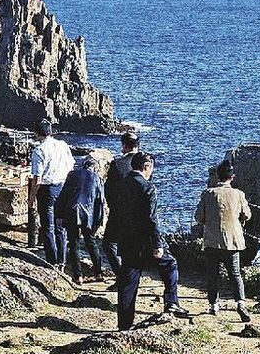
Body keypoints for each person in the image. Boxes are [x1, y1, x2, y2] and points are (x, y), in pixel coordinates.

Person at [110, 152, 188, 330]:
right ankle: (171, 302)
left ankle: (124, 325)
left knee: (128, 285)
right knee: (170, 265)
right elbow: (151, 219)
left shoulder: (120, 186)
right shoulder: (148, 188)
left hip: (126, 240)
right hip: (145, 241)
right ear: (147, 167)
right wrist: (157, 244)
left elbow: (116, 213)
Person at [195, 160, 253, 322]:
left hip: (212, 241)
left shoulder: (208, 193)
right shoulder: (239, 194)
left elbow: (199, 217)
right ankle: (240, 303)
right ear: (232, 177)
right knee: (235, 274)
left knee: (212, 275)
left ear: (217, 176)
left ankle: (214, 305)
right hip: (233, 241)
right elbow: (247, 215)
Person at [28, 119, 74, 266]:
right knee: (60, 226)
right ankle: (62, 261)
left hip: (47, 190)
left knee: (48, 226)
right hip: (63, 187)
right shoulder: (63, 145)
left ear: (37, 133)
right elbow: (71, 165)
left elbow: (37, 178)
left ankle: (52, 261)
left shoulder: (39, 150)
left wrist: (31, 198)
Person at [54, 156, 105, 284]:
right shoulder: (97, 179)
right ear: (94, 168)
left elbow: (63, 194)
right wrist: (99, 221)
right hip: (88, 215)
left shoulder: (72, 175)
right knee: (91, 242)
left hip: (71, 212)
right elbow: (100, 202)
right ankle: (98, 273)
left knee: (73, 243)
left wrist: (59, 214)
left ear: (83, 165)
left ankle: (78, 276)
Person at [103, 131, 140, 287]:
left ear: (124, 146)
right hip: (138, 211)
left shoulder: (117, 164)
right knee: (131, 247)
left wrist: (112, 206)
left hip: (119, 211)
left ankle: (122, 277)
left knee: (108, 244)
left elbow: (108, 189)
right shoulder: (145, 162)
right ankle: (128, 278)